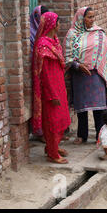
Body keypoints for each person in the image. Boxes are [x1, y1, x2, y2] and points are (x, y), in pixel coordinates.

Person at [64, 7, 107, 145]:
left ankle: (100, 135)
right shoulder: (72, 34)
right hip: (80, 76)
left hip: (97, 75)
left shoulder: (99, 34)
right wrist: (78, 66)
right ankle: (82, 135)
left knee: (99, 108)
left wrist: (98, 68)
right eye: (89, 17)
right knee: (82, 108)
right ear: (81, 18)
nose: (92, 20)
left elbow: (106, 56)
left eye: (93, 17)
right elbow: (67, 56)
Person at [32, 12, 71, 164]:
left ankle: (52, 147)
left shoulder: (54, 41)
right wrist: (52, 94)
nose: (60, 25)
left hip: (59, 85)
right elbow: (45, 74)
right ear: (53, 24)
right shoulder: (43, 45)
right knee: (52, 121)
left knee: (61, 118)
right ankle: (53, 154)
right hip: (50, 90)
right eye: (58, 22)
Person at [29, 5, 49, 141]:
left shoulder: (47, 34)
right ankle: (40, 132)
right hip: (35, 75)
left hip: (46, 75)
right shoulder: (30, 33)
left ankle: (49, 131)